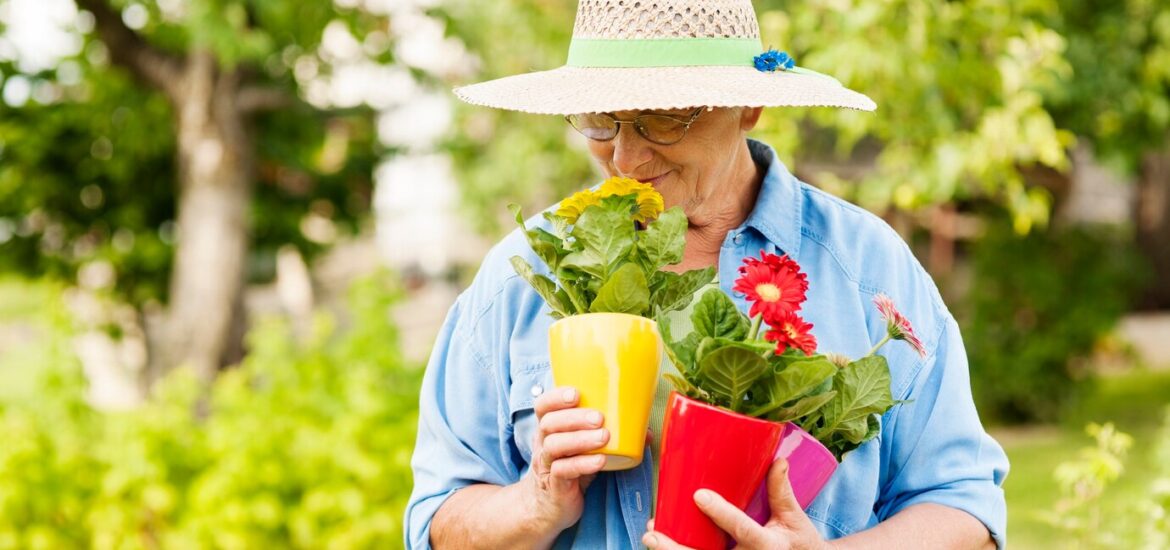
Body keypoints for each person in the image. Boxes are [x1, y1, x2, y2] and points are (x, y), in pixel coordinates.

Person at [405, 0, 1009, 548]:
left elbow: (963, 507)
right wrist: (531, 506)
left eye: (662, 119)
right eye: (600, 120)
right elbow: (435, 519)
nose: (625, 157)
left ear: (750, 105)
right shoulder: (526, 274)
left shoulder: (866, 267)